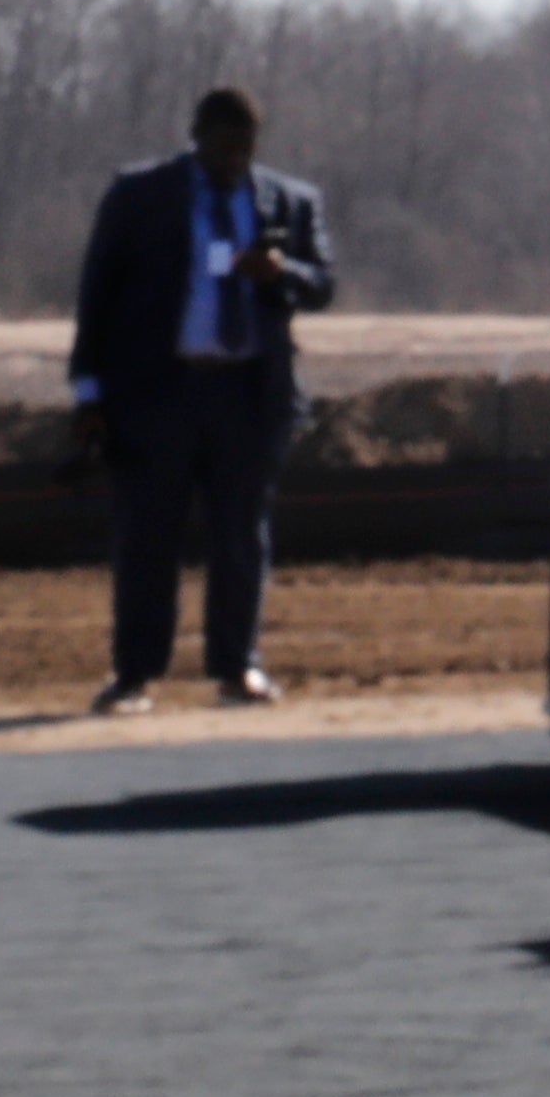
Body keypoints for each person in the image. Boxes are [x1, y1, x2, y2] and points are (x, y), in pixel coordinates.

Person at [67, 87, 334, 711]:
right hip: (158, 394)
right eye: (222, 146)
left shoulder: (290, 202)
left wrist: (282, 274)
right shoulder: (140, 195)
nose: (233, 160)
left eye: (244, 148)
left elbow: (324, 282)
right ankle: (134, 675)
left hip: (247, 397)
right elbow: (96, 293)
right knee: (146, 537)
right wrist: (88, 392)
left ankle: (238, 668)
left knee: (242, 536)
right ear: (197, 136)